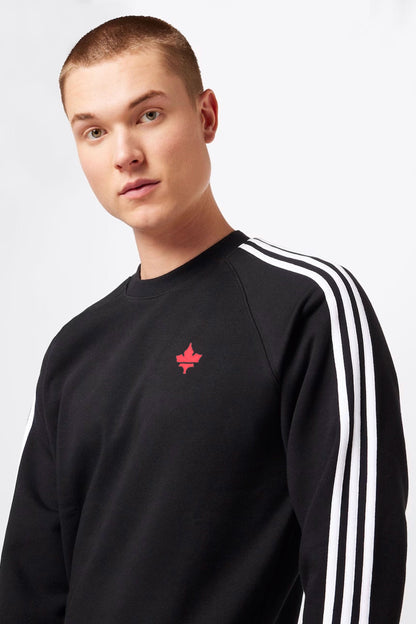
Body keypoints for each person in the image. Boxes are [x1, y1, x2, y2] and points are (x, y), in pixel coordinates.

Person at [0, 15, 408, 624]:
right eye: (94, 131)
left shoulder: (308, 305)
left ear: (206, 116)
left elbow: (358, 564)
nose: (124, 155)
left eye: (148, 115)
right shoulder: (74, 351)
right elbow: (30, 591)